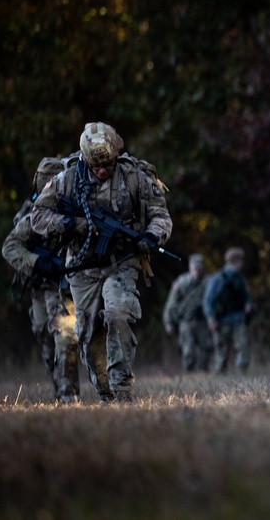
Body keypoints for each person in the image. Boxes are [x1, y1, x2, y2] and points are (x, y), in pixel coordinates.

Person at [30, 123, 173, 403]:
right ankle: (107, 393)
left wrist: (152, 236)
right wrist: (72, 224)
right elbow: (38, 217)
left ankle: (122, 389)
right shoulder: (67, 179)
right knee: (88, 333)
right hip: (82, 268)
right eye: (96, 166)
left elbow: (161, 214)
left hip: (121, 261)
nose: (103, 171)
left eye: (108, 164)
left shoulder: (134, 177)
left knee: (119, 313)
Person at [1, 156, 80, 402]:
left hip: (62, 285)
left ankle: (69, 394)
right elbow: (10, 247)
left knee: (64, 337)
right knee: (45, 340)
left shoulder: (73, 209)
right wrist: (37, 262)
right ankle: (60, 387)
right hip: (40, 284)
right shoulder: (32, 214)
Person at [203, 247, 253, 373]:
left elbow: (246, 296)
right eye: (240, 260)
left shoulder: (240, 279)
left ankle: (242, 373)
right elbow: (208, 301)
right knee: (221, 351)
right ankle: (219, 376)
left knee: (243, 346)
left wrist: (248, 304)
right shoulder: (218, 279)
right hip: (222, 320)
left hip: (238, 318)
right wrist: (211, 319)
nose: (242, 263)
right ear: (234, 261)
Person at [163, 253, 212, 372]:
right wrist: (167, 321)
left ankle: (203, 374)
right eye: (195, 269)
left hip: (203, 322)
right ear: (191, 268)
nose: (197, 272)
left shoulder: (208, 282)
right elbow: (171, 302)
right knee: (188, 351)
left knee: (204, 351)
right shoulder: (182, 282)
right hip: (186, 321)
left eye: (200, 269)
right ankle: (188, 375)